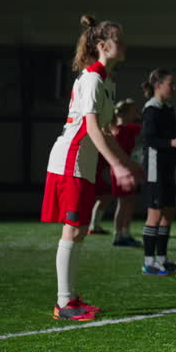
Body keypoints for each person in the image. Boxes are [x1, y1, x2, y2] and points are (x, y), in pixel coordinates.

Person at [40, 16, 141, 320]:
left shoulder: (108, 81)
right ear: (101, 45)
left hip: (83, 162)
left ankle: (69, 298)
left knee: (80, 230)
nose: (123, 45)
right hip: (70, 160)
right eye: (118, 39)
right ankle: (64, 303)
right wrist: (117, 166)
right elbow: (93, 129)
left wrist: (126, 162)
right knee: (72, 230)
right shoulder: (93, 78)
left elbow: (108, 131)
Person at [139, 69, 176, 274]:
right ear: (158, 85)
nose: (174, 88)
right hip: (154, 168)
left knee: (168, 213)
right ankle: (148, 262)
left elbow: (170, 142)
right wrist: (173, 142)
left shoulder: (168, 108)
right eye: (171, 84)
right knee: (155, 214)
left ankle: (162, 258)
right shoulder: (151, 109)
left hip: (167, 166)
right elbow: (149, 140)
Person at [89, 99, 143, 246]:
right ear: (125, 113)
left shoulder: (129, 129)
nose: (136, 113)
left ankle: (125, 233)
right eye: (133, 111)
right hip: (121, 171)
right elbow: (118, 155)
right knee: (123, 203)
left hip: (129, 169)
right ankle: (118, 235)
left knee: (129, 202)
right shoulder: (118, 132)